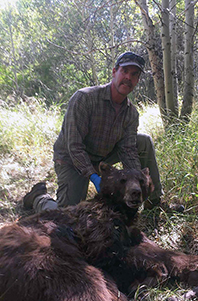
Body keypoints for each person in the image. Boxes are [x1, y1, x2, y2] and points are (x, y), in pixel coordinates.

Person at [23, 51, 165, 212]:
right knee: (66, 217)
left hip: (102, 157)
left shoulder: (131, 113)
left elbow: (128, 150)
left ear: (137, 80)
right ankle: (38, 198)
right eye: (124, 71)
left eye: (134, 74)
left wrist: (136, 181)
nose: (128, 78)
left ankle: (154, 204)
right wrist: (94, 177)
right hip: (70, 159)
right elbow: (74, 146)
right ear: (114, 72)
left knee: (143, 141)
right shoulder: (84, 98)